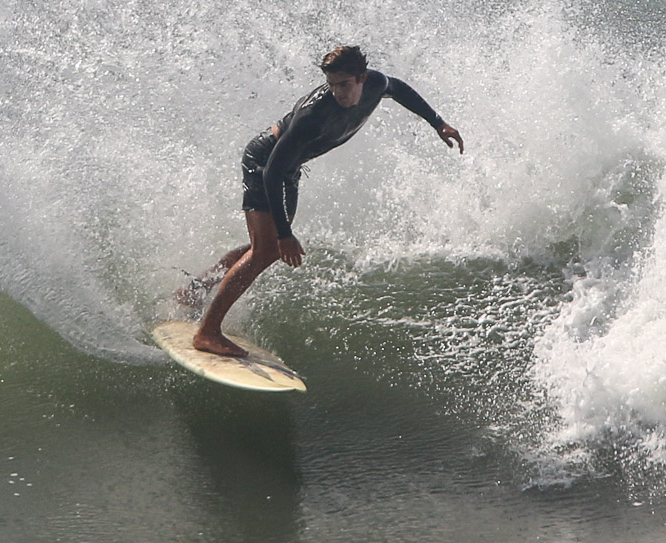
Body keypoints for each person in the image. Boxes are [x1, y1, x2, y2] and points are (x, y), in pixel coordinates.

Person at [186, 45, 463, 357]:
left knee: (262, 246)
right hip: (265, 163)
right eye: (331, 85)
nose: (337, 93)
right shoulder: (312, 116)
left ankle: (195, 291)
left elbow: (398, 88)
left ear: (362, 77)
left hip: (287, 168)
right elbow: (271, 173)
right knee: (266, 250)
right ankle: (207, 332)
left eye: (343, 85)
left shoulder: (375, 83)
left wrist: (437, 122)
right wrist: (285, 234)